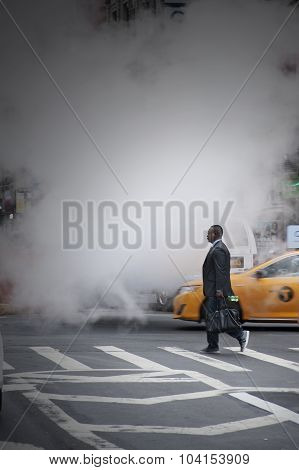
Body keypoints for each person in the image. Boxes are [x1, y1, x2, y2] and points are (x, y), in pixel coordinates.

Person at [201, 224, 249, 354]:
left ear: (215, 234)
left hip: (217, 292)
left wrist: (219, 290)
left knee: (220, 318)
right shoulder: (217, 248)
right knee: (213, 318)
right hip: (215, 290)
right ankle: (213, 345)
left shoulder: (219, 249)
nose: (207, 235)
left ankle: (240, 335)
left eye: (209, 233)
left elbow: (220, 272)